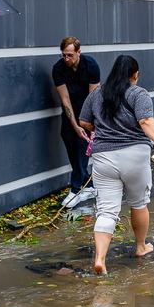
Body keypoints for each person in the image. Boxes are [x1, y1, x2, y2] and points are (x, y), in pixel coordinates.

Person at [78, 55, 154, 275]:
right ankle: (141, 247)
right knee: (138, 203)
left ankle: (100, 258)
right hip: (134, 156)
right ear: (135, 74)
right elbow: (146, 121)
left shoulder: (97, 94)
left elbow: (84, 122)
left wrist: (104, 126)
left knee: (106, 210)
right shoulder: (137, 93)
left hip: (104, 158)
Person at [52, 36, 100, 208]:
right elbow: (65, 100)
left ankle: (75, 190)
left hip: (87, 112)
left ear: (79, 52)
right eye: (64, 55)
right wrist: (75, 125)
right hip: (70, 113)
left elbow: (93, 98)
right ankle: (89, 185)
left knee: (81, 148)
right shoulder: (58, 69)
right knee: (71, 145)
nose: (66, 59)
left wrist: (88, 125)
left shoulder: (91, 66)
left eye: (70, 55)